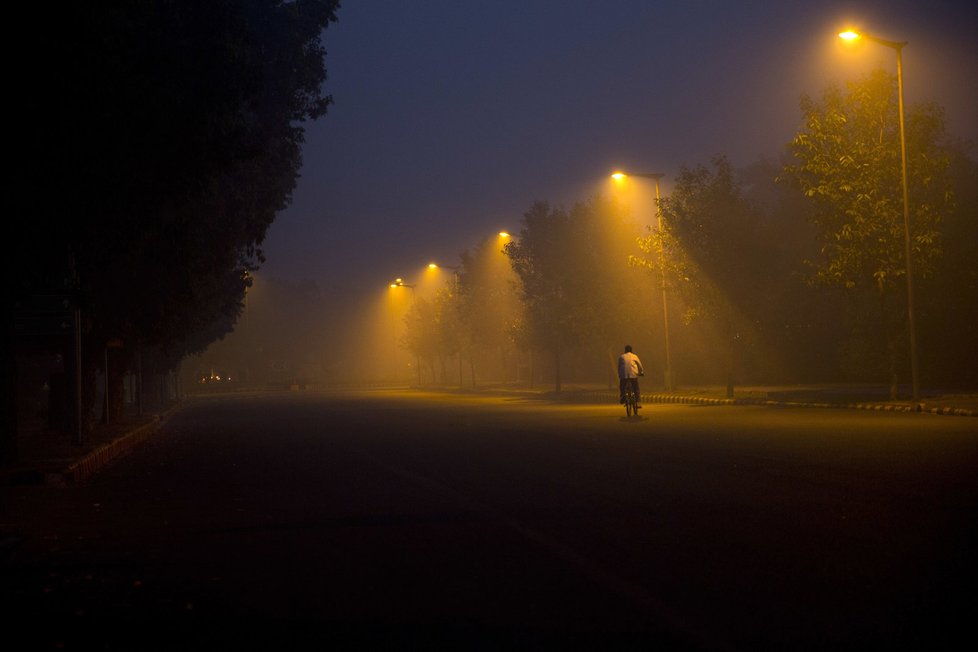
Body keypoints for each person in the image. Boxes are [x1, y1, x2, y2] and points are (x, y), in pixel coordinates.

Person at [617, 344, 644, 409]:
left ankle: (623, 396)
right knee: (636, 388)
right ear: (631, 350)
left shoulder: (621, 357)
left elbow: (619, 367)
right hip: (633, 375)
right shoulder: (635, 356)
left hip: (624, 375)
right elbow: (640, 365)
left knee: (622, 385)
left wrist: (620, 375)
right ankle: (638, 403)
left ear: (625, 350)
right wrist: (641, 372)